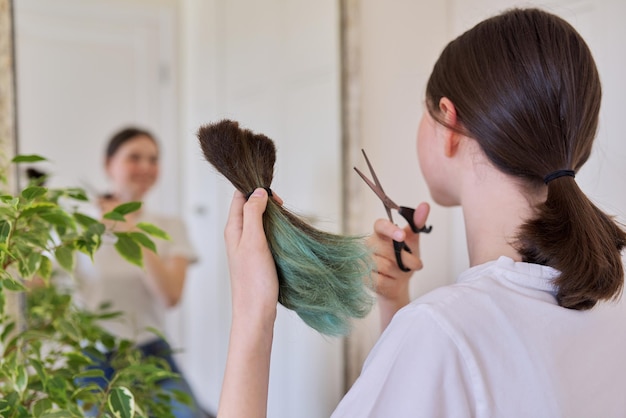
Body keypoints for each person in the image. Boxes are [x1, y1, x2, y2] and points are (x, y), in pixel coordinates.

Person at [217, 8, 626, 417]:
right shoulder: (609, 307)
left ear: (449, 123)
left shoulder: (442, 330)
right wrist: (397, 306)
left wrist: (254, 316)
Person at [74, 127, 205, 417]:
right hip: (94, 358)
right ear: (109, 164)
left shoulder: (170, 226)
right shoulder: (78, 230)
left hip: (151, 352)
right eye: (135, 157)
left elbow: (170, 295)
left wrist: (130, 230)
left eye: (153, 159)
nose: (146, 167)